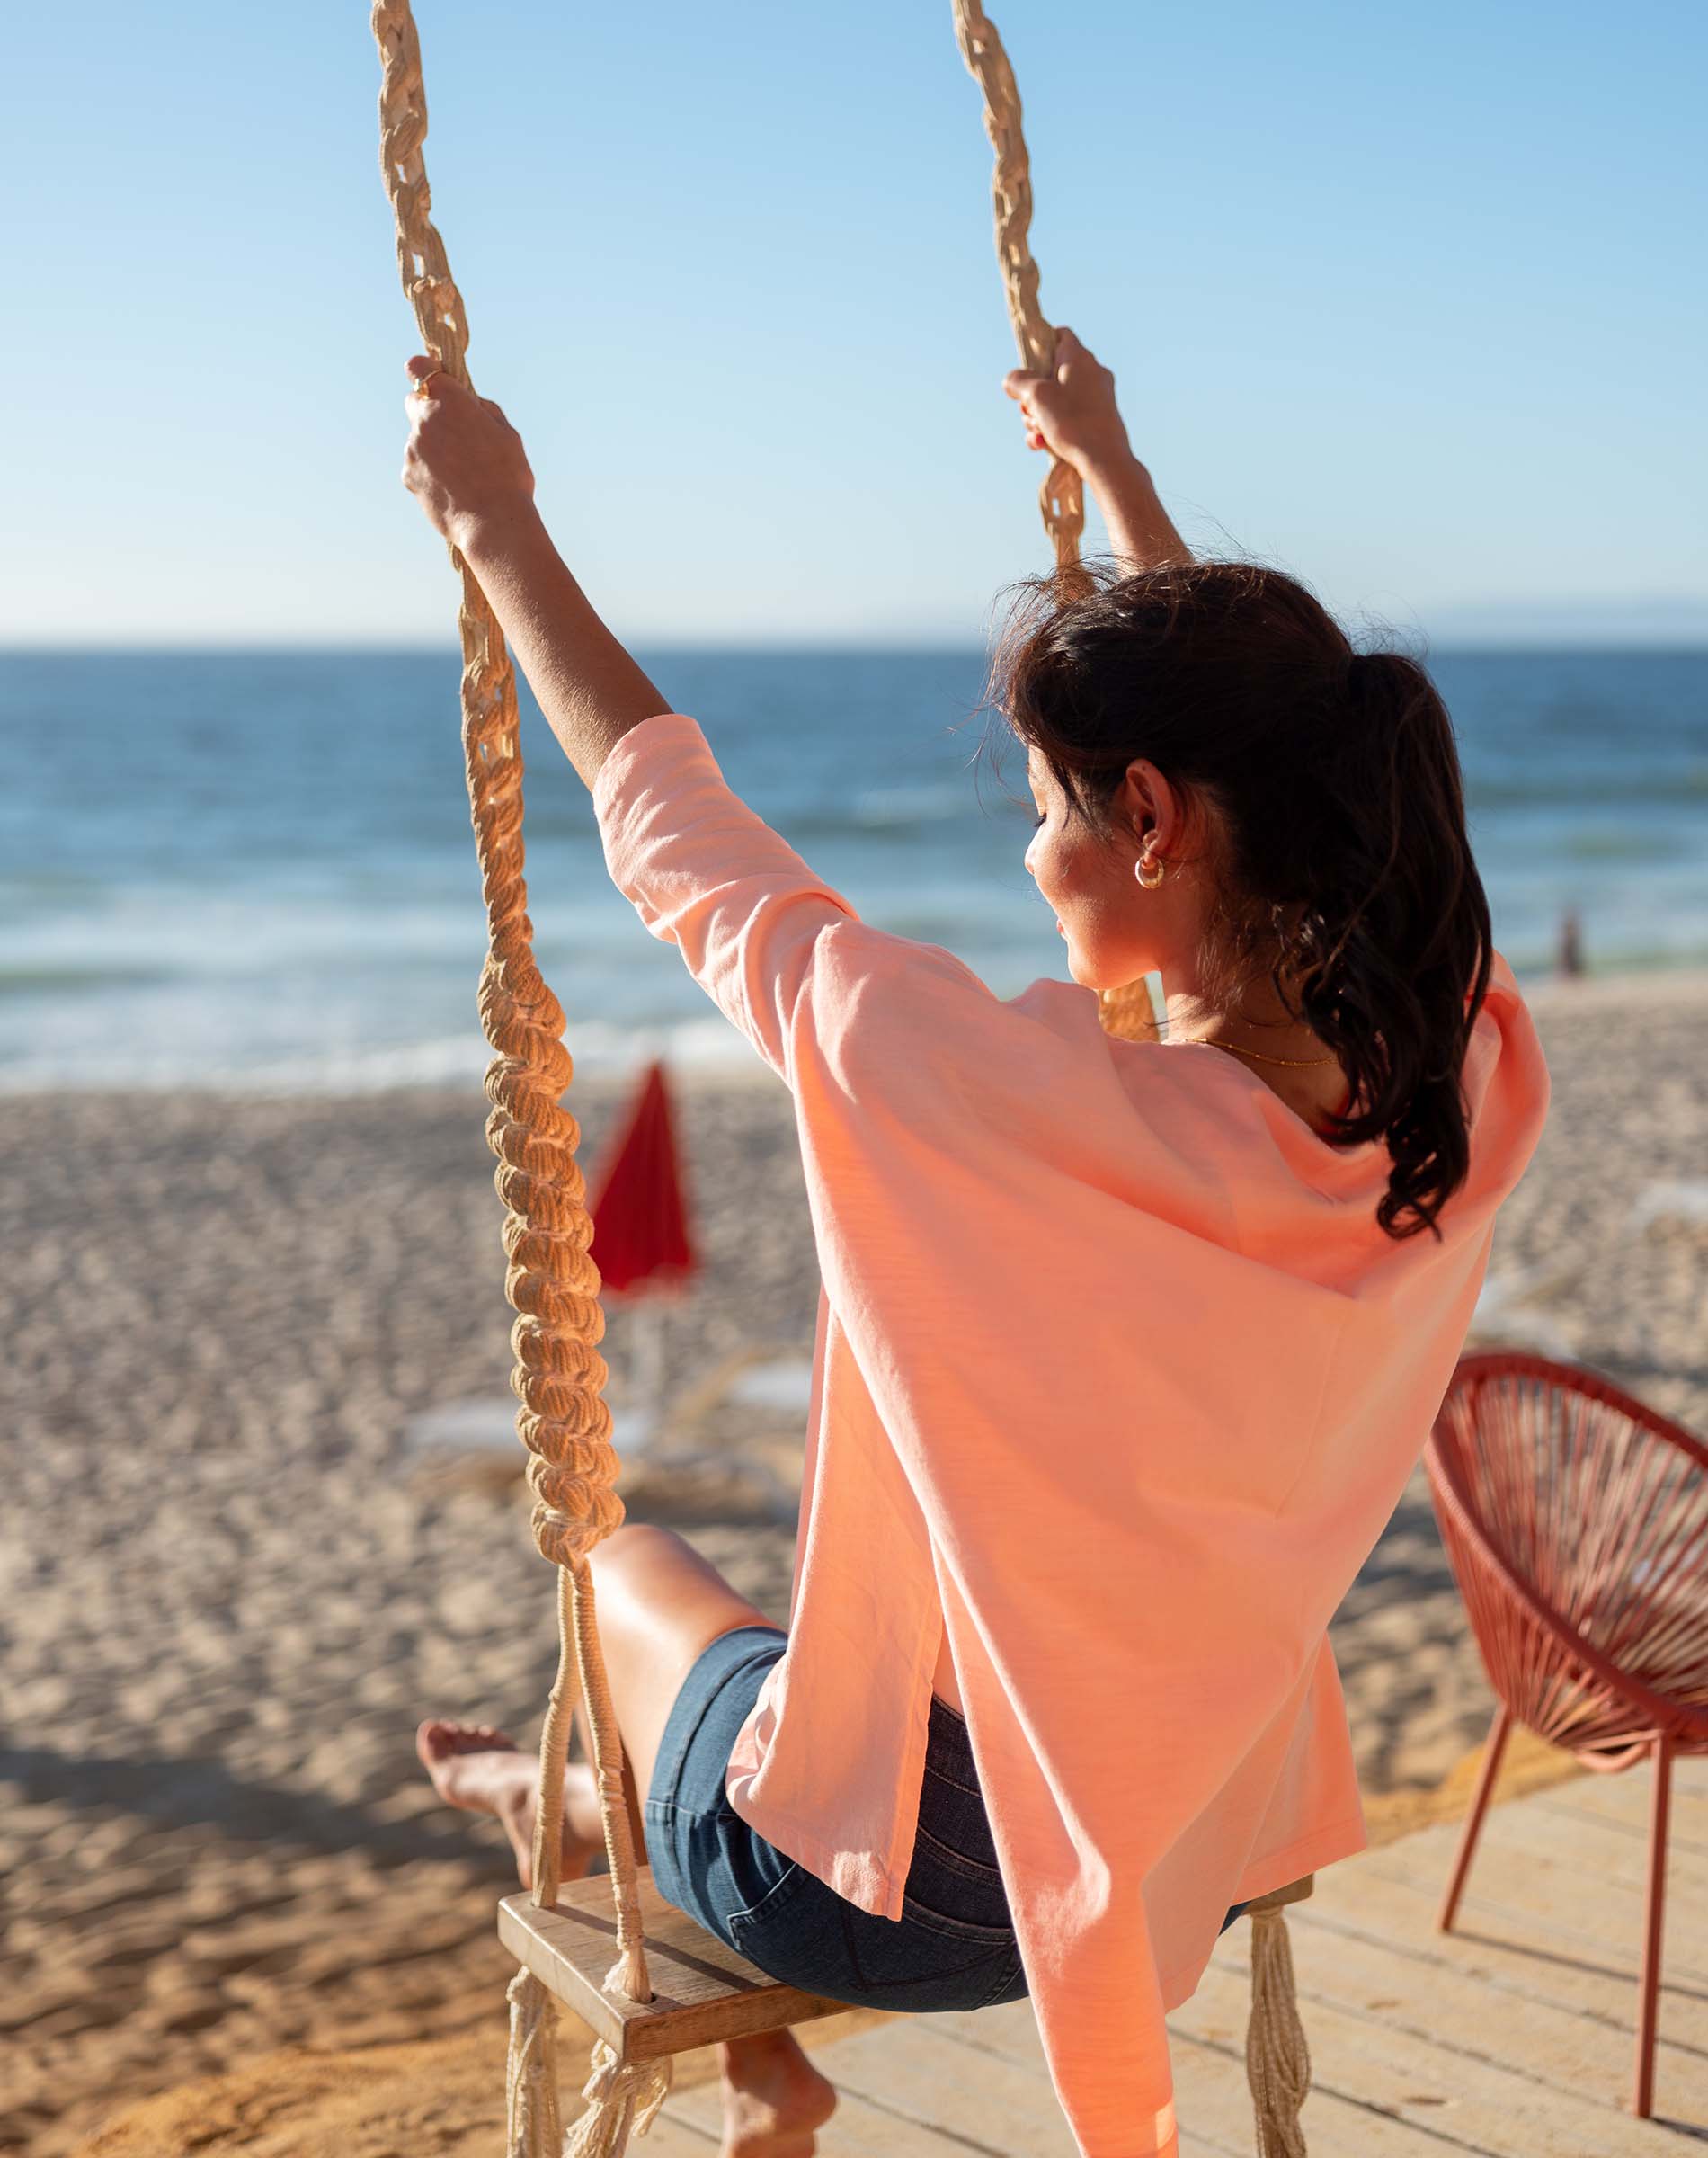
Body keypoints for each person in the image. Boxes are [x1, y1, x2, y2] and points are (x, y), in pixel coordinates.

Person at [406, 330, 1551, 2158]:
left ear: (1151, 816)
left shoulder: (996, 1094)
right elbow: (1296, 750)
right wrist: (1112, 470)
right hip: (1172, 1846)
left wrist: (496, 529)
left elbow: (687, 850)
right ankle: (647, 1913)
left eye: (1041, 806)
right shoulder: (1463, 1092)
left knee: (627, 1566)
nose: (1031, 851)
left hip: (889, 1894)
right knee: (774, 1651)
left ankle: (557, 1808)